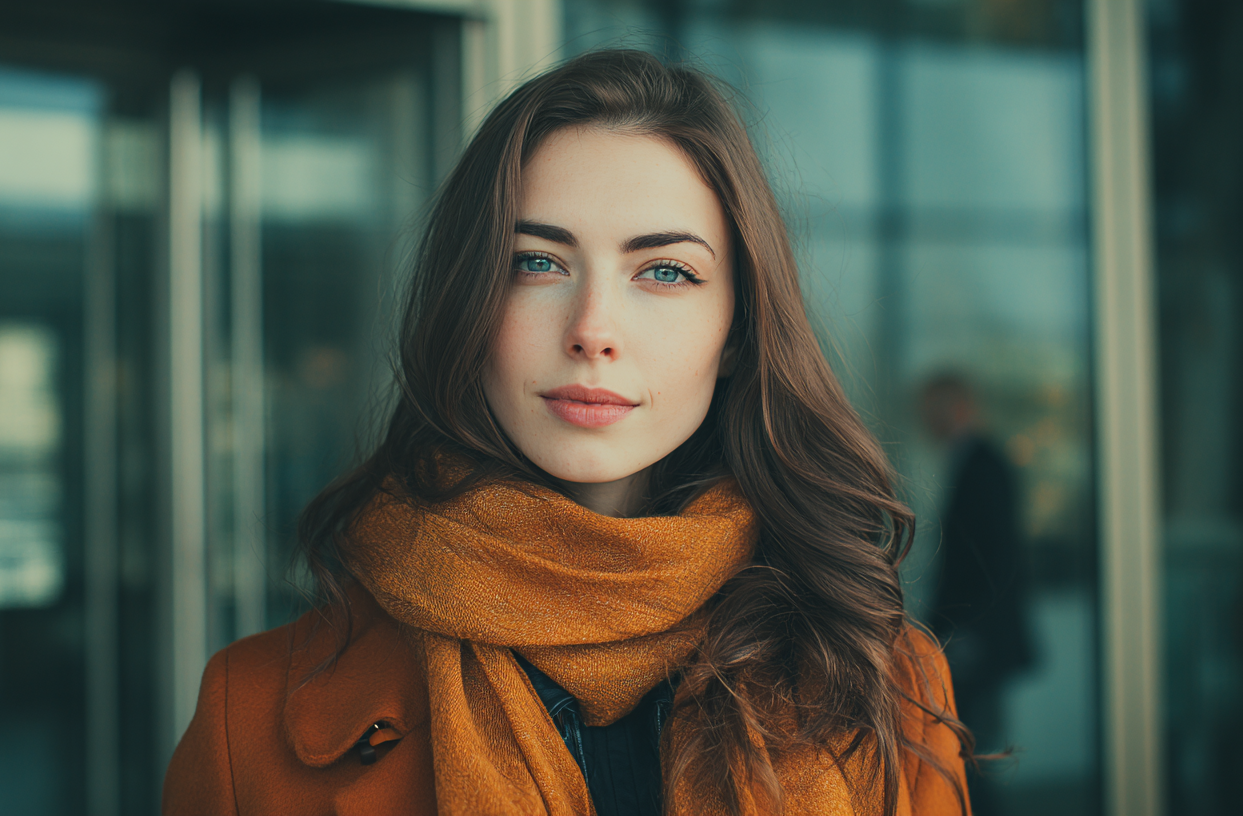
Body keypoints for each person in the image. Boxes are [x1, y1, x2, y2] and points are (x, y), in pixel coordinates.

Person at [164, 49, 971, 816]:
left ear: (737, 331)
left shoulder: (889, 684)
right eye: (536, 263)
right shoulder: (249, 715)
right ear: (468, 302)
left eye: (664, 272)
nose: (592, 330)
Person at [920, 372, 1034, 812]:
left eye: (933, 408)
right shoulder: (970, 461)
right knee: (968, 747)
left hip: (977, 638)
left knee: (970, 751)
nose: (926, 419)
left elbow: (996, 562)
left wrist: (969, 631)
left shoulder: (984, 465)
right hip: (970, 634)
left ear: (959, 407)